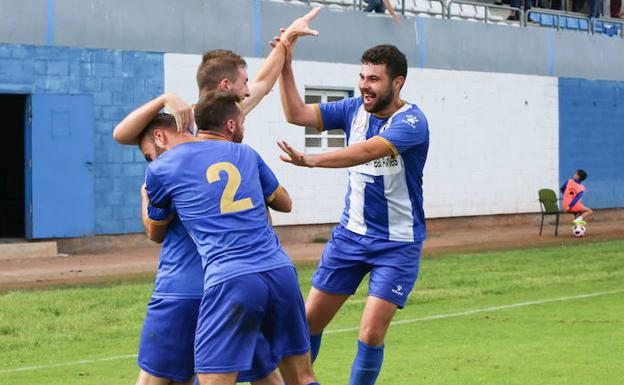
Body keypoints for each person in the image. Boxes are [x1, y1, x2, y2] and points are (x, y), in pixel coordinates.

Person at [277, 43, 429, 385]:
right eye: (362, 76)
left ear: (397, 82)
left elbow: (367, 151)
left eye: (374, 79)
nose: (364, 85)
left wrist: (312, 160)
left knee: (371, 333)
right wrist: (285, 65)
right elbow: (296, 114)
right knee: (307, 322)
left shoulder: (412, 122)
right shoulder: (352, 109)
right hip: (350, 237)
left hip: (398, 244)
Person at [145, 90, 320, 385]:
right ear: (231, 125)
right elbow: (285, 203)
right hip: (279, 271)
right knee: (302, 376)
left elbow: (156, 229)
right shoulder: (247, 154)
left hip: (230, 278)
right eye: (242, 121)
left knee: (213, 379)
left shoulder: (162, 168)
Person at [132, 113, 285, 385]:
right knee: (265, 374)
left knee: (155, 378)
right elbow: (273, 213)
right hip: (237, 286)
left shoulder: (165, 171)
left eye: (148, 155)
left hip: (181, 290)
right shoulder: (235, 156)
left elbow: (155, 233)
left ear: (160, 136)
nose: (152, 162)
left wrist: (145, 197)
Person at [112, 7, 320, 144]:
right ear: (225, 85)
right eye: (244, 83)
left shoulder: (231, 114)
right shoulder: (181, 123)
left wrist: (288, 35)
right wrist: (164, 99)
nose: (248, 91)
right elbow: (121, 136)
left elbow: (264, 82)